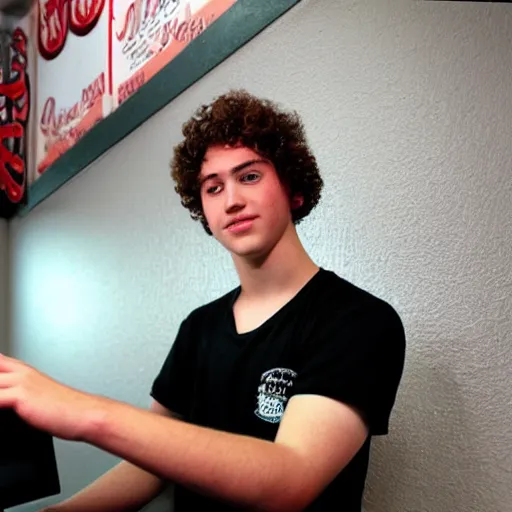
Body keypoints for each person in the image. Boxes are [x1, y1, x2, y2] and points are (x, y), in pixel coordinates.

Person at [0, 89, 406, 511]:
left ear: (293, 189)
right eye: (213, 188)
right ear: (204, 212)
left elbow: (290, 479)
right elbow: (152, 464)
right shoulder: (200, 328)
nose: (232, 201)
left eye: (249, 176)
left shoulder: (359, 321)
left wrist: (84, 413)